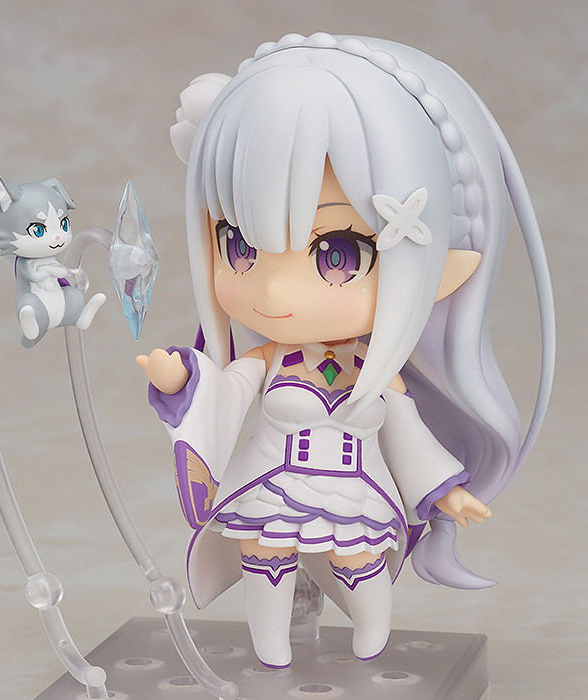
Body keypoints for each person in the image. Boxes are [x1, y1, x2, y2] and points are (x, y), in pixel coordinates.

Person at [136, 33, 554, 668]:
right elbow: (220, 396)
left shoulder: (379, 377)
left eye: (337, 253)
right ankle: (270, 644)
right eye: (238, 246)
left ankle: (371, 633)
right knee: (265, 554)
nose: (274, 291)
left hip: (355, 490)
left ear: (439, 268)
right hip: (272, 483)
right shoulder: (267, 363)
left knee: (358, 558)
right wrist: (180, 383)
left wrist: (445, 493)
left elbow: (410, 440)